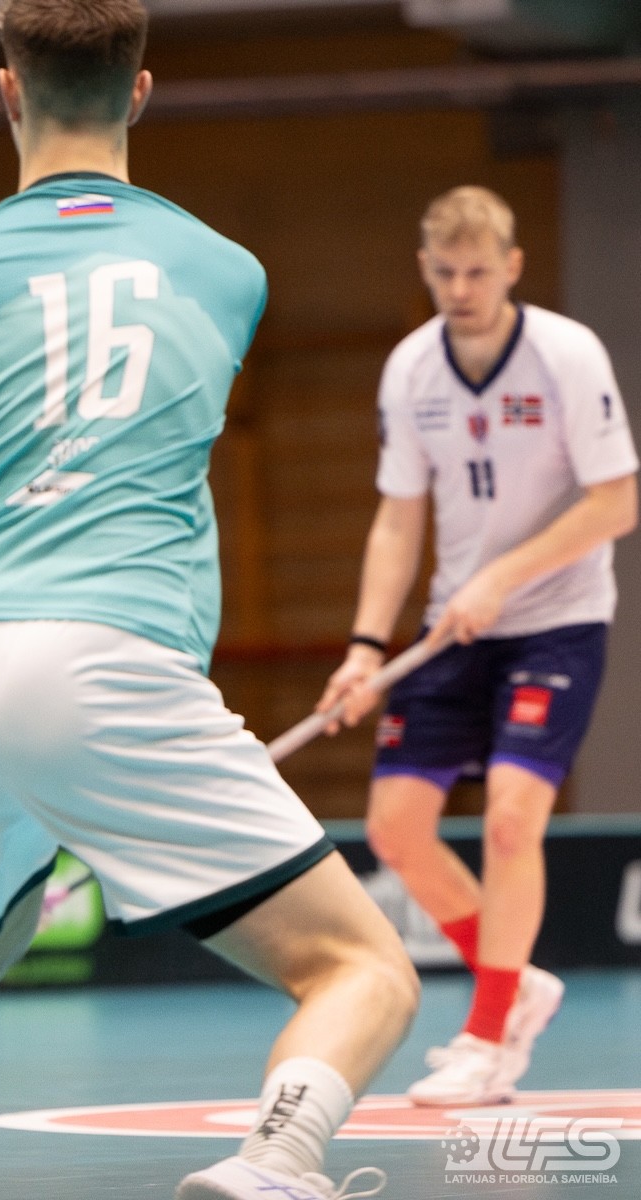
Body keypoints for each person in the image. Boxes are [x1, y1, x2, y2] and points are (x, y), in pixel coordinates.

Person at [0, 4, 421, 1199]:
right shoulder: (228, 274)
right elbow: (102, 470)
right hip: (109, 660)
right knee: (363, 969)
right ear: (140, 91)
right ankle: (276, 1159)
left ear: (8, 91)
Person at [316, 186, 637, 1107]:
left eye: (479, 272)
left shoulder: (567, 355)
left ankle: (490, 1036)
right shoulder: (411, 369)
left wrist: (506, 576)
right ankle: (517, 984)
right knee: (395, 829)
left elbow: (617, 501)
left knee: (508, 819)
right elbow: (397, 518)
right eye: (446, 273)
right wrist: (364, 647)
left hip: (558, 623)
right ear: (426, 269)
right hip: (454, 628)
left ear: (512, 267)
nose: (462, 290)